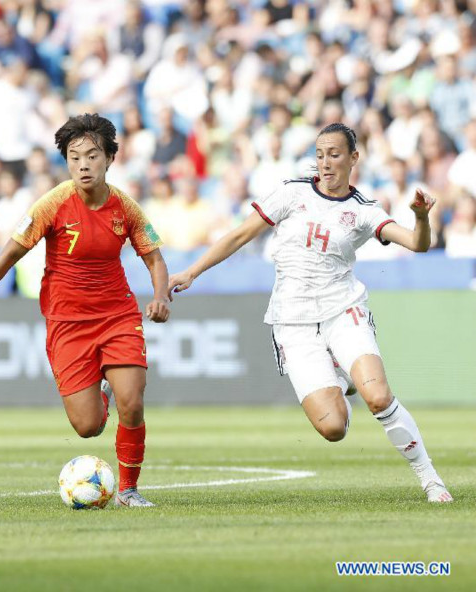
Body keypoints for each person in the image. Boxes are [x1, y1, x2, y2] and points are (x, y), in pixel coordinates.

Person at [168, 123, 452, 503]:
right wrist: (191, 271)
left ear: (353, 158)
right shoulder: (292, 193)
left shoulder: (364, 212)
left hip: (343, 310)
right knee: (333, 428)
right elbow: (238, 235)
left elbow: (418, 244)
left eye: (334, 154)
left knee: (380, 398)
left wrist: (420, 217)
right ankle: (341, 379)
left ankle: (431, 479)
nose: (325, 163)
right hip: (292, 322)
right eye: (320, 155)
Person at [0, 114, 171, 507]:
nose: (83, 165)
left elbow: (153, 257)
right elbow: (8, 256)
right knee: (87, 428)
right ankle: (100, 394)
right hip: (67, 322)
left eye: (92, 156)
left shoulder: (125, 207)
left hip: (118, 314)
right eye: (74, 157)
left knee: (132, 402)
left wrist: (160, 296)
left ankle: (129, 490)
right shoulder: (52, 204)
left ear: (109, 159)